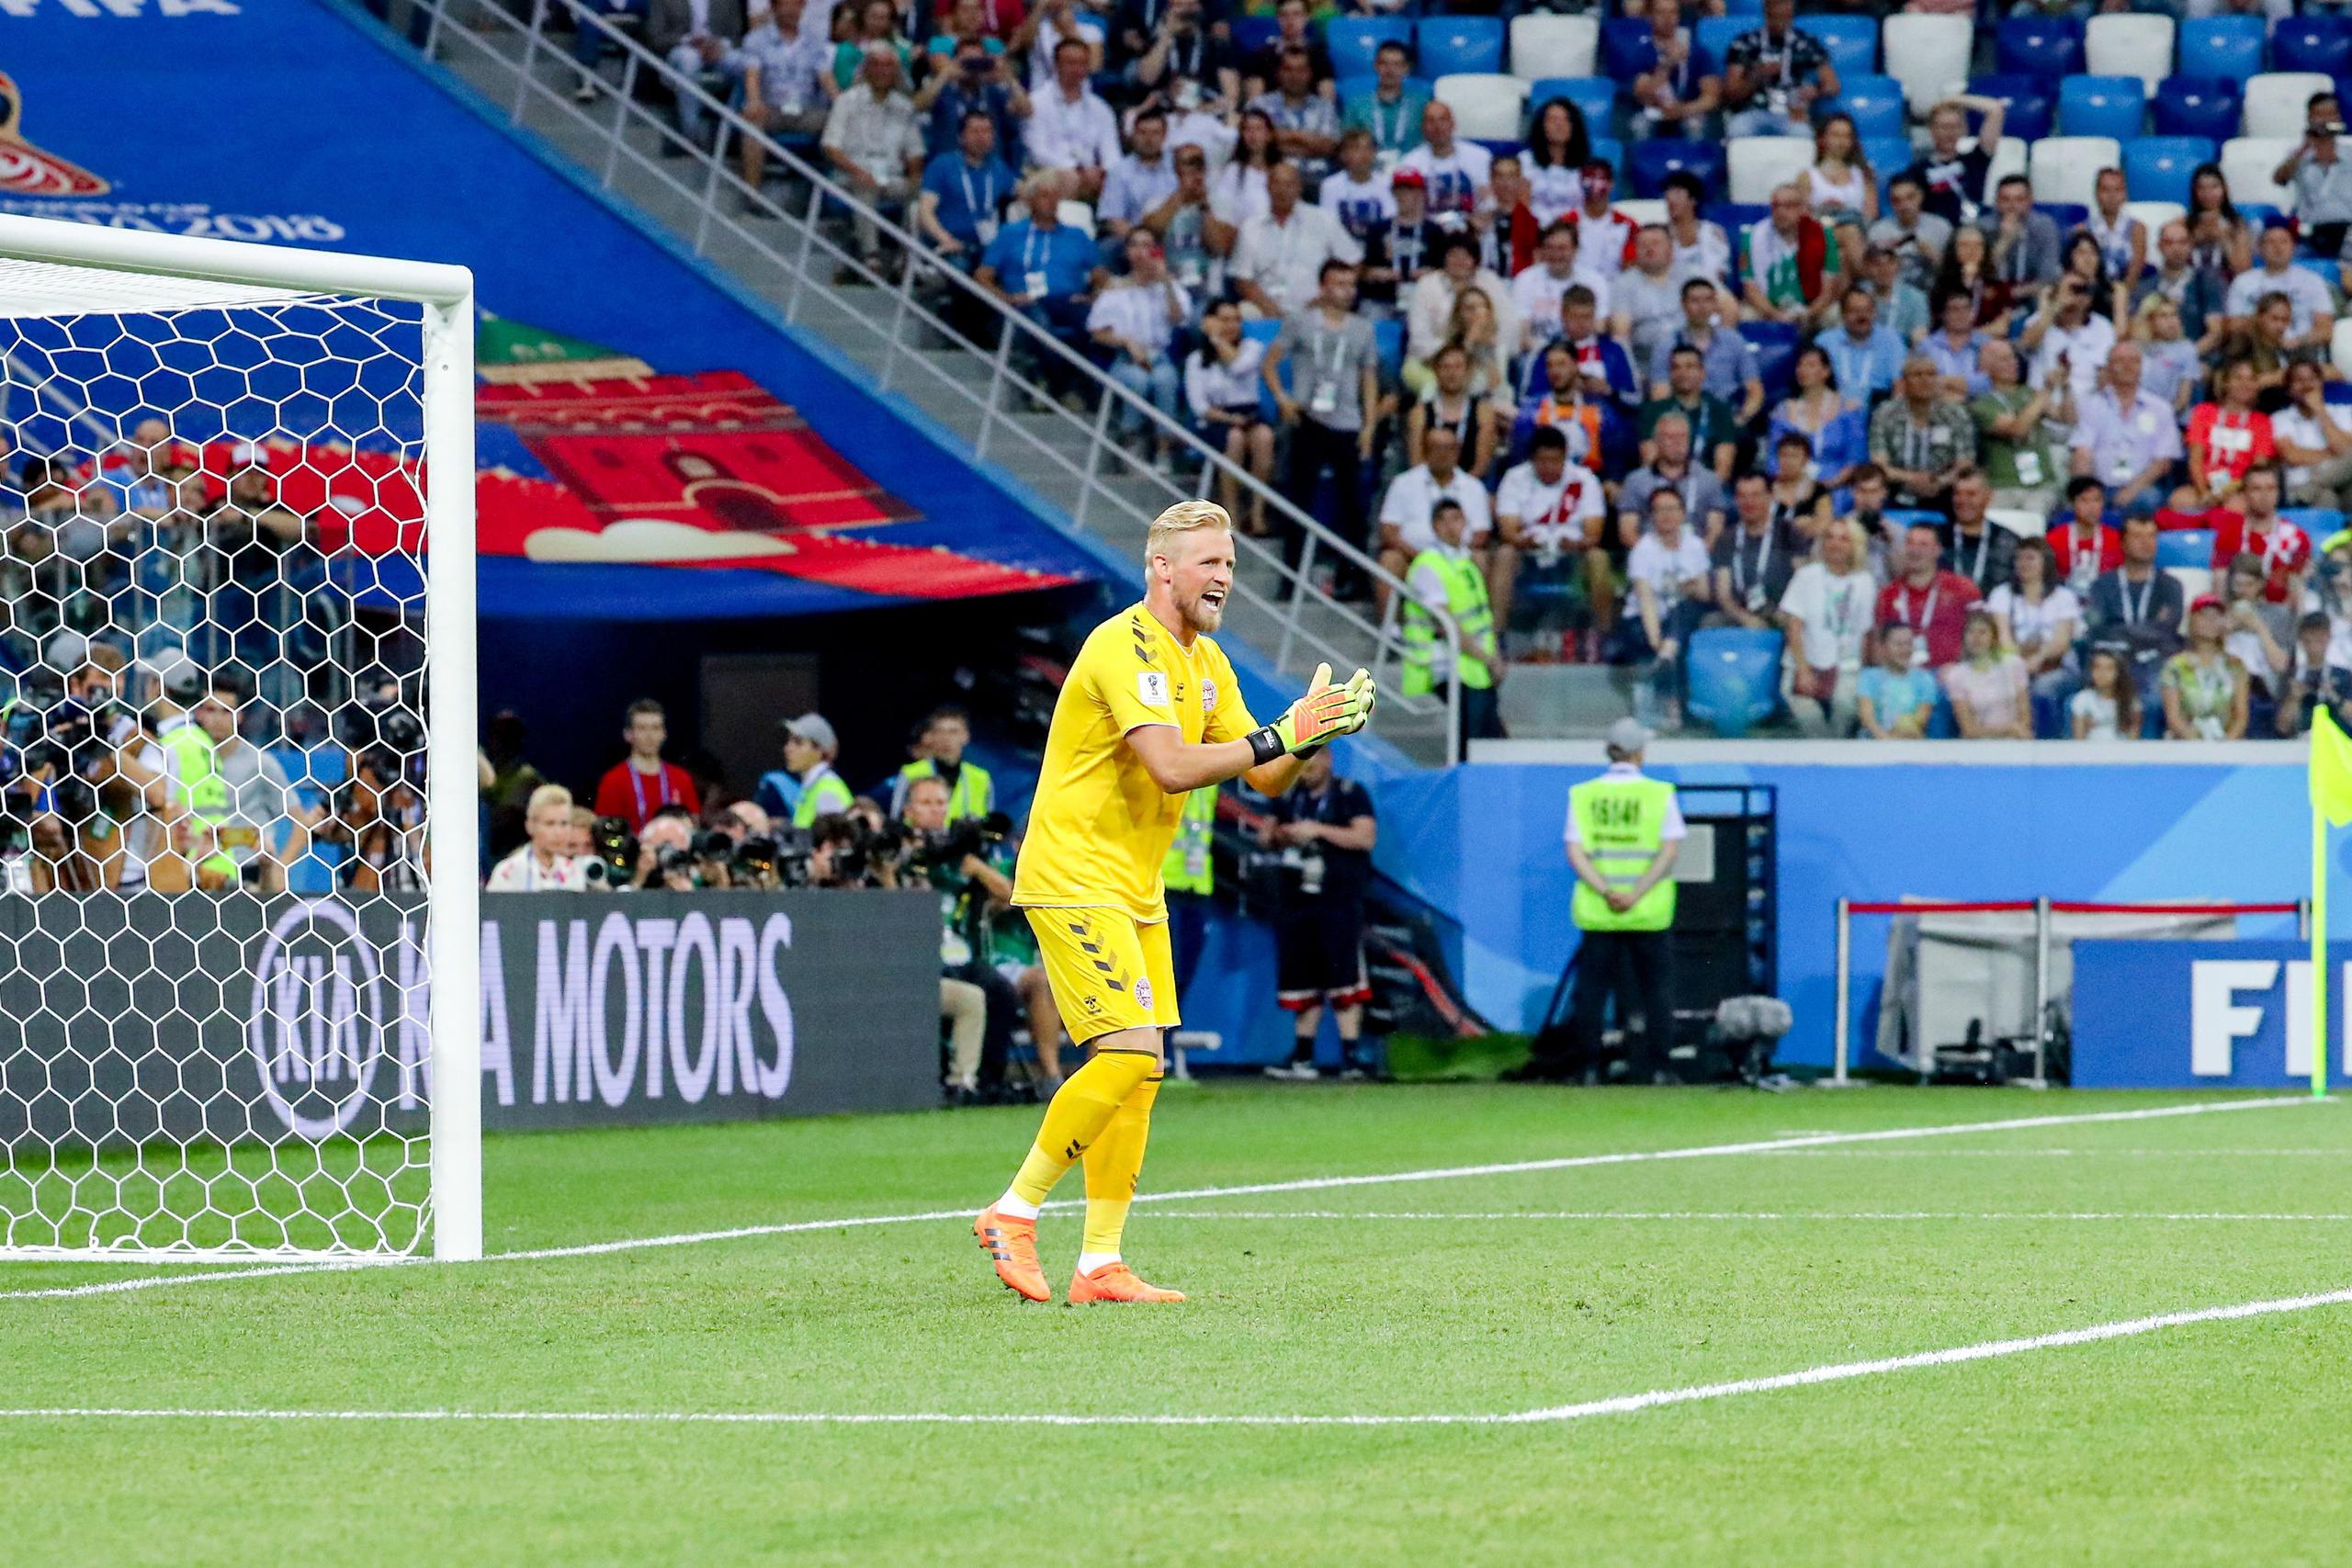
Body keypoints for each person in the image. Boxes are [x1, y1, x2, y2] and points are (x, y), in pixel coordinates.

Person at [971, 500, 1373, 1305]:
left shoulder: (1206, 660)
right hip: (1075, 872)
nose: (1225, 578)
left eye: (1230, 564)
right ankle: (1013, 1211)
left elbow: (1262, 778)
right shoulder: (1122, 644)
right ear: (1162, 568)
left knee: (1142, 1069)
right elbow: (1172, 765)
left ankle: (1100, 1263)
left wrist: (1308, 735)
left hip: (1135, 886)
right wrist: (1277, 733)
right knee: (1124, 1051)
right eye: (1210, 564)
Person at [1533, 716, 1685, 1084]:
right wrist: (1635, 893)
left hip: (1599, 911)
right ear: (1638, 752)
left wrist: (1606, 891)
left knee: (1592, 995)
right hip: (1648, 911)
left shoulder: (1584, 795)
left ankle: (1587, 1069)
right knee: (1656, 993)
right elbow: (1669, 852)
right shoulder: (1659, 794)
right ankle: (1661, 1069)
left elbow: (1576, 852)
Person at [1259, 748, 1379, 1079]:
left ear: (1327, 760)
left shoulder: (1349, 794)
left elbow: (1365, 839)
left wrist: (1318, 831)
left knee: (1344, 977)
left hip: (1338, 901)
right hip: (1297, 902)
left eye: (1314, 763)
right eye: (1303, 764)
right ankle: (1302, 1056)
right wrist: (1283, 835)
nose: (1309, 770)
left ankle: (1351, 1056)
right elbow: (1265, 836)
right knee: (1302, 978)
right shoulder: (1288, 795)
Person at [1265, 259, 1383, 589]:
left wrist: (1369, 425)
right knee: (1299, 497)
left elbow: (1369, 378)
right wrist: (1282, 398)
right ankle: (1290, 575)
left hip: (1347, 422)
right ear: (1323, 286)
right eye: (1338, 283)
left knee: (1353, 503)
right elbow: (1270, 363)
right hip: (1308, 419)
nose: (1346, 290)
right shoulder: (1300, 322)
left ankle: (1353, 574)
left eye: (1350, 284)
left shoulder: (1362, 329)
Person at [976, 172, 1099, 400]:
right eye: (1044, 196)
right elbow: (983, 276)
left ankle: (1065, 384)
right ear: (1030, 201)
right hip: (1025, 301)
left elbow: (1100, 274)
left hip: (1068, 299)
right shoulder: (1011, 233)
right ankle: (1064, 388)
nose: (1051, 202)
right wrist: (1006, 298)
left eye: (1055, 197)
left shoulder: (1076, 235)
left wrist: (1094, 296)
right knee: (1039, 325)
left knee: (1095, 320)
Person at [1401, 498, 1503, 754]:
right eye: (1442, 521)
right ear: (1434, 526)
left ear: (1465, 522)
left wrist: (1494, 656)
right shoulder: (1428, 566)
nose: (1450, 527)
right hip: (1446, 664)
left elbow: (1482, 620)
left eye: (1456, 519)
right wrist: (1489, 660)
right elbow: (1447, 625)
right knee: (1472, 741)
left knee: (1490, 738)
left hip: (1474, 666)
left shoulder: (1466, 564)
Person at [820, 44, 927, 273]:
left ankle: (905, 259)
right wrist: (858, 171)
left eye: (888, 66)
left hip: (891, 176)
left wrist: (915, 178)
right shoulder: (847, 101)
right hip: (851, 176)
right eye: (876, 65)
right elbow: (830, 146)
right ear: (867, 68)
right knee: (865, 186)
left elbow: (915, 152)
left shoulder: (904, 107)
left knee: (921, 196)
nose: (882, 71)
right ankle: (871, 256)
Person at [1496, 425, 1608, 641]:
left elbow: (1593, 534)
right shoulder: (1515, 478)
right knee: (1504, 554)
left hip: (1573, 555)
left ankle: (1602, 637)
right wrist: (1525, 542)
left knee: (1599, 558)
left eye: (1555, 460)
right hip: (1528, 553)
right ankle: (1497, 635)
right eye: (1542, 461)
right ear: (1532, 458)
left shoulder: (1584, 479)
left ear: (1565, 457)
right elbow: (1508, 531)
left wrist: (1575, 545)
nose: (1548, 467)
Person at [1091, 231, 1192, 466]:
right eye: (1135, 246)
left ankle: (1162, 450)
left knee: (1165, 380)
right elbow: (1097, 332)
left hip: (1159, 357)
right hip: (1126, 358)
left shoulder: (1168, 287)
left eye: (1147, 246)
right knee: (1138, 380)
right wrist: (1126, 341)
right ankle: (1129, 439)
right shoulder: (1116, 287)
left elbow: (1179, 319)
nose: (1141, 252)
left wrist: (1165, 282)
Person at [1623, 484, 1713, 725]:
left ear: (1683, 514)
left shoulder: (1694, 545)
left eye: (1672, 509)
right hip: (1646, 618)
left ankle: (1677, 706)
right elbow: (1646, 599)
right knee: (1671, 640)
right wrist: (1657, 641)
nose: (1666, 515)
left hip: (1684, 615)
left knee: (1683, 610)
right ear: (1651, 516)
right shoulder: (1643, 550)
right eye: (1660, 510)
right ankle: (1673, 709)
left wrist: (1687, 589)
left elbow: (1703, 592)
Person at [1779, 517, 1875, 737]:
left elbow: (1864, 632)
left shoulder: (1864, 581)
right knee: (1808, 714)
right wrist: (1803, 670)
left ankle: (1834, 748)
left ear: (1854, 545)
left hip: (1846, 665)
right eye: (1830, 537)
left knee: (1845, 705)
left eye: (1843, 539)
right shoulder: (1806, 576)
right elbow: (1794, 627)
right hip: (1805, 662)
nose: (1835, 543)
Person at [1185, 298, 1273, 534]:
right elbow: (1200, 406)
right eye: (1224, 320)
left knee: (1264, 437)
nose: (1231, 325)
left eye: (1236, 320)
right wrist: (1229, 419)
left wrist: (1218, 341)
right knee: (1233, 438)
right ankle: (1230, 513)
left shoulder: (1252, 347)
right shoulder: (1196, 360)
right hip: (1217, 419)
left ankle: (1257, 514)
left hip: (1249, 413)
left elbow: (1238, 366)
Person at [732, 0, 834, 198]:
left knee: (839, 122)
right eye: (785, 5)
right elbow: (752, 76)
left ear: (803, 7)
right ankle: (752, 191)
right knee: (752, 121)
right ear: (773, 7)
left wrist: (842, 103)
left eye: (796, 5)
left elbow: (826, 79)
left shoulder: (814, 42)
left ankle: (829, 192)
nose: (790, 10)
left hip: (806, 110)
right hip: (772, 108)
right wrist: (754, 102)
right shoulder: (756, 39)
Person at [2068, 343, 2180, 517]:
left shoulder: (2160, 408)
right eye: (2120, 361)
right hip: (2101, 486)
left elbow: (2162, 462)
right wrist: (2089, 492)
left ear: (2141, 367)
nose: (2128, 366)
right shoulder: (2091, 405)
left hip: (2142, 487)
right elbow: (2083, 452)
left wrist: (2132, 490)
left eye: (2134, 361)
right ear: (2108, 368)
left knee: (2148, 498)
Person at [2085, 513, 2187, 701]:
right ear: (2123, 543)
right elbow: (2098, 627)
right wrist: (2143, 631)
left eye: (2151, 536)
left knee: (2154, 698)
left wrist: (2121, 630)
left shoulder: (2171, 586)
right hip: (2112, 661)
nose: (2146, 542)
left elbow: (2166, 629)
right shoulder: (2102, 585)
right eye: (2138, 536)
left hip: (2155, 660)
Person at [1985, 534, 2077, 717]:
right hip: (2012, 663)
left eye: (2030, 558)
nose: (2023, 563)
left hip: (2056, 665)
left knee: (2042, 689)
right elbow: (2002, 638)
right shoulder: (2002, 594)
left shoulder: (2064, 596)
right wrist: (2020, 665)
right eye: (2019, 558)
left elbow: (2061, 643)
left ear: (2046, 562)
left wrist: (2038, 658)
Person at [1869, 355, 1973, 514]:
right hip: (1895, 488)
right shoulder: (1885, 413)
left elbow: (1964, 463)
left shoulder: (1955, 414)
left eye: (1931, 375)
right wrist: (1913, 479)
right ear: (1904, 382)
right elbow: (1879, 464)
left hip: (1944, 490)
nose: (1925, 380)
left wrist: (1938, 482)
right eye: (1917, 375)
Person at [1720, 0, 1838, 139]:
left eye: (1785, 5)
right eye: (1775, 5)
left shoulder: (1806, 42)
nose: (1780, 11)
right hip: (1753, 110)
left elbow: (1832, 86)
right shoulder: (1745, 42)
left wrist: (1814, 91)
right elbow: (1730, 91)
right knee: (1738, 131)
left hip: (1792, 112)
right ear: (1766, 8)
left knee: (1802, 134)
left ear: (1792, 8)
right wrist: (1757, 76)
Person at [1651, 276, 1764, 420]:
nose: (1702, 306)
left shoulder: (1733, 340)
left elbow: (1755, 390)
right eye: (1695, 301)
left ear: (1715, 304)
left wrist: (1741, 419)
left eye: (1708, 300)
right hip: (1683, 416)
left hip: (1727, 413)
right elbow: (1660, 395)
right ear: (1683, 304)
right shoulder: (1666, 345)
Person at [916, 108, 1020, 264]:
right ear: (961, 137)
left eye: (987, 132)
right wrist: (944, 239)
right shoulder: (942, 165)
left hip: (987, 245)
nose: (981, 137)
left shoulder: (997, 167)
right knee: (960, 267)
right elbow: (925, 212)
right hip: (952, 245)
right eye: (975, 132)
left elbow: (1026, 191)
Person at [1024, 36, 1121, 200]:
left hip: (1092, 175)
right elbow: (1037, 150)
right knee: (1069, 179)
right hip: (1050, 171)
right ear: (1056, 66)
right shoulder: (1036, 103)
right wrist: (1077, 170)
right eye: (1070, 63)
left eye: (1081, 63)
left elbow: (1112, 152)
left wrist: (1103, 172)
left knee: (1120, 178)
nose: (1076, 69)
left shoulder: (1101, 108)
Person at [1971, 339, 2058, 516]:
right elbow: (2017, 430)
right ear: (1987, 366)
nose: (2013, 363)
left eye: (2014, 358)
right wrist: (2046, 391)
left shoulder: (2030, 393)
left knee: (2034, 522)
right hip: (2002, 485)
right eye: (2004, 359)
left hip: (2039, 486)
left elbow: (2067, 418)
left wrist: (2065, 385)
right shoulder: (1981, 404)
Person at [2175, 358, 2274, 513]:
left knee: (2235, 508)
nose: (2245, 384)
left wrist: (2229, 492)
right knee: (2179, 500)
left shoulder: (2261, 422)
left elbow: (2258, 468)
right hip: (2204, 486)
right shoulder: (2203, 412)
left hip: (2240, 490)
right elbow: (2195, 460)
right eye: (2238, 378)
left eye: (2251, 380)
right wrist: (2205, 492)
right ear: (2226, 383)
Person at [1876, 521, 1981, 669]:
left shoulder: (1963, 589)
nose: (1915, 550)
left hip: (1952, 677)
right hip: (1903, 679)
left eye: (1923, 545)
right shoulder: (1888, 594)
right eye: (1910, 543)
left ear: (1937, 550)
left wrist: (1963, 671)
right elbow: (1878, 645)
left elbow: (1983, 635)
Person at [2224, 221, 2336, 351]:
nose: (2278, 247)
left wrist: (2297, 342)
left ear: (2293, 247)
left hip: (2302, 350)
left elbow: (2325, 330)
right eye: (2271, 242)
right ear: (2260, 248)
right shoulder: (2243, 282)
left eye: (2284, 242)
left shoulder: (2312, 281)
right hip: (2256, 350)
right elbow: (2233, 325)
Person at [594, 699, 702, 832]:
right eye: (642, 728)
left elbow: (694, 827)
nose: (649, 736)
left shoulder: (681, 779)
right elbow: (606, 832)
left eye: (655, 728)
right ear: (628, 734)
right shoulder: (613, 781)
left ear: (664, 734)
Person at [1741, 184, 1841, 329]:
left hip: (1811, 309)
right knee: (1745, 315)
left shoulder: (1823, 235)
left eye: (1788, 206)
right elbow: (1751, 290)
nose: (1781, 212)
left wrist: (1807, 314)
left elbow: (1828, 291)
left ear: (1802, 209)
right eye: (1776, 206)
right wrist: (1776, 315)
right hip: (1768, 309)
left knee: (1836, 314)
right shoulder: (1753, 237)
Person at [1645, 344, 1743, 488]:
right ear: (1670, 374)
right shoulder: (1653, 411)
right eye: (1676, 367)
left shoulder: (1720, 411)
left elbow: (1723, 467)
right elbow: (1649, 460)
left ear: (1703, 372)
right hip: (1662, 488)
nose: (1683, 372)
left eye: (1690, 367)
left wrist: (1697, 493)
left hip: (1707, 489)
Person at [1712, 471, 1798, 631]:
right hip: (1739, 613)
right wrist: (1745, 618)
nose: (1748, 502)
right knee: (1710, 623)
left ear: (1770, 496)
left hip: (1780, 612)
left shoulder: (1789, 533)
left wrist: (1785, 612)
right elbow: (1723, 593)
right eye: (1742, 496)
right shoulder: (1726, 538)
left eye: (1755, 495)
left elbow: (1802, 580)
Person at [1905, 96, 2007, 227]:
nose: (1949, 133)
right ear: (1931, 129)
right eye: (1943, 127)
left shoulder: (1975, 159)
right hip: (1940, 232)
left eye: (1954, 126)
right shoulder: (1918, 171)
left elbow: (1995, 110)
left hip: (1975, 231)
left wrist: (1954, 100)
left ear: (1963, 130)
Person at [2130, 220, 2229, 354]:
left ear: (2190, 245)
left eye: (2182, 242)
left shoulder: (2207, 283)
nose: (2176, 248)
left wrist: (2184, 358)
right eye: (2169, 243)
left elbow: (2215, 333)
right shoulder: (2144, 287)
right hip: (2155, 358)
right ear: (2160, 246)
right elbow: (2136, 332)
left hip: (2197, 356)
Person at [2276, 90, 2352, 263]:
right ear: (2309, 118)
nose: (2325, 121)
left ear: (2338, 117)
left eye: (2330, 115)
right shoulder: (2298, 156)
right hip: (2310, 232)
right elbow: (2279, 179)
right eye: (2319, 116)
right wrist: (2304, 148)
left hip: (2349, 232)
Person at [2161, 594, 2251, 740]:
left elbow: (2241, 716)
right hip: (2186, 745)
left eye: (2217, 616)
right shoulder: (2175, 666)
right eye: (2204, 616)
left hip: (2227, 744)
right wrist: (2197, 744)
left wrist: (2227, 742)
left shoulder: (2235, 665)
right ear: (2191, 621)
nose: (2211, 621)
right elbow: (2174, 717)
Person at [1394, 101, 1490, 233]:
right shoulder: (1411, 162)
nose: (1437, 126)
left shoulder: (1479, 156)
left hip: (1469, 231)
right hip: (1427, 233)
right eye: (1430, 121)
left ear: (1453, 123)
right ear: (1422, 127)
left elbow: (1489, 200)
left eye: (1443, 120)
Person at [1407, 343, 1498, 482]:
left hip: (1470, 485)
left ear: (1468, 371)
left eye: (1458, 366)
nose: (1452, 373)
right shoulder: (1420, 413)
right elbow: (1416, 461)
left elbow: (1482, 462)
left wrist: (1463, 489)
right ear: (1436, 371)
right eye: (1445, 367)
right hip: (1428, 486)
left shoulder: (1483, 411)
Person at [1249, 45, 1340, 184]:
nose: (1294, 76)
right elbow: (1254, 141)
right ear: (1278, 72)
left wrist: (1279, 137)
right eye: (1288, 69)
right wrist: (1307, 139)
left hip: (1317, 179)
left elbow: (1327, 146)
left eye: (1301, 70)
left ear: (1310, 73)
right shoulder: (1260, 105)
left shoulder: (1325, 107)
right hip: (1269, 178)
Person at [888, 704, 995, 821]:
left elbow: (988, 825)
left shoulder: (981, 779)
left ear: (966, 736)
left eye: (953, 732)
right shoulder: (911, 773)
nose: (946, 738)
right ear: (932, 736)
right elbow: (895, 818)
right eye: (940, 731)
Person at [2271, 356, 2352, 512]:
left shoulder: (2342, 412)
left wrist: (2320, 412)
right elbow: (2292, 456)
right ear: (2289, 390)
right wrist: (2336, 457)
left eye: (2312, 379)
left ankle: (2311, 488)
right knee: (2327, 498)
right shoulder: (2280, 418)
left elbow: (2345, 450)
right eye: (2299, 380)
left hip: (2341, 483)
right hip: (2300, 484)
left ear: (2321, 383)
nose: (2306, 385)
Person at [486, 782, 594, 891]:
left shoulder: (573, 872)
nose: (558, 832)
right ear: (530, 826)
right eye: (550, 824)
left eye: (564, 823)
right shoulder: (509, 872)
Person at [1943, 608, 2031, 739]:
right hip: (1979, 745)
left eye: (1982, 632)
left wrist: (2015, 732)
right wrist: (2007, 729)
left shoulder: (2014, 665)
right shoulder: (1957, 675)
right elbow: (1968, 729)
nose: (1976, 637)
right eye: (1971, 632)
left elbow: (2024, 716)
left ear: (1994, 637)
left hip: (2014, 740)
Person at [1098, 106, 1179, 247]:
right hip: (1136, 245)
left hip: (1176, 239)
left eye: (1155, 133)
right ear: (1133, 134)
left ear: (1165, 135)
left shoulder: (1178, 166)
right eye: (1142, 133)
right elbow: (1115, 220)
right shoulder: (1119, 172)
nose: (1149, 139)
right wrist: (1142, 243)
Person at [1340, 39, 1430, 164]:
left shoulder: (1422, 104)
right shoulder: (1356, 105)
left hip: (1412, 170)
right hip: (1368, 172)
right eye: (1384, 63)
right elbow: (1348, 146)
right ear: (1375, 65)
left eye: (1397, 65)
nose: (1390, 70)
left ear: (1406, 69)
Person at [1870, 172, 1952, 299]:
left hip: (1934, 294)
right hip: (1893, 296)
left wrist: (1932, 256)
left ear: (1921, 196)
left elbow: (1952, 271)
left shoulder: (1941, 228)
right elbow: (1871, 273)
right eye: (1897, 200)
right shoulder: (1879, 232)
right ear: (1891, 202)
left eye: (1910, 197)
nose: (1904, 205)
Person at [1820, 286, 1905, 406]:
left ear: (1875, 312)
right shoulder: (1826, 341)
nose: (1862, 316)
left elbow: (1900, 385)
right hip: (1833, 408)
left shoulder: (1891, 340)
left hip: (1878, 406)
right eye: (1854, 311)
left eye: (1867, 310)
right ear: (1843, 314)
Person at [1942, 467, 2017, 596]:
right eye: (1957, 493)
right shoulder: (1937, 538)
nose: (1963, 500)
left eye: (1971, 494)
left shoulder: (2009, 541)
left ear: (1988, 497)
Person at [1856, 622, 1938, 738]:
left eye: (1908, 644)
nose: (1904, 649)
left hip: (1910, 740)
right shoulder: (1869, 677)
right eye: (1898, 644)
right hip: (1873, 743)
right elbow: (1867, 718)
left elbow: (1921, 720)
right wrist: (1886, 739)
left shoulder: (1925, 680)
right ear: (1884, 647)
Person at [1524, 97, 1597, 226]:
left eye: (1565, 120)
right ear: (1541, 125)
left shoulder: (1589, 168)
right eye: (1553, 119)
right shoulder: (1525, 161)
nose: (1559, 124)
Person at [1982, 175, 2061, 293]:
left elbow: (2048, 276)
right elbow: (1980, 276)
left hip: (2032, 296)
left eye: (2019, 200)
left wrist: (2011, 295)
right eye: (2005, 199)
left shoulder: (2044, 226)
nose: (2012, 206)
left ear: (2029, 201)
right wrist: (2004, 241)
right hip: (1993, 298)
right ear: (1997, 201)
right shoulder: (1983, 227)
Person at [2278, 612, 2352, 737]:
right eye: (2308, 641)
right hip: (2300, 740)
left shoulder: (2343, 675)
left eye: (2318, 640)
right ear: (2301, 641)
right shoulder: (2292, 675)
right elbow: (2282, 726)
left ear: (2328, 638)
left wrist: (2333, 696)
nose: (2313, 647)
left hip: (2336, 740)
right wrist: (2294, 698)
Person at [1933, 224, 2013, 335]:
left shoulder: (2000, 288)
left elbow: (2001, 328)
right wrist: (1966, 282)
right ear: (1954, 250)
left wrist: (1969, 338)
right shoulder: (1941, 285)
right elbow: (1939, 326)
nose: (1971, 250)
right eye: (1965, 245)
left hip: (1986, 347)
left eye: (1978, 245)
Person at [2049, 475, 2122, 596]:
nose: (2092, 507)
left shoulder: (2116, 539)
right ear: (2073, 504)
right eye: (2084, 501)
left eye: (2097, 500)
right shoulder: (2054, 539)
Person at [778, 712, 856, 825]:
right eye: (789, 741)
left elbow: (834, 841)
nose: (788, 749)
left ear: (819, 750)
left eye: (798, 742)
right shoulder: (812, 788)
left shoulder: (827, 793)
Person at [2080, 166, 2146, 295]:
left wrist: (2121, 295)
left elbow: (2136, 267)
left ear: (2125, 194)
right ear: (2096, 193)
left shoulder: (2137, 229)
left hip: (2127, 292)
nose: (2112, 195)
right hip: (2093, 293)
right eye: (2106, 190)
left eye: (2117, 190)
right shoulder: (2083, 230)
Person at [2132, 294, 2202, 417]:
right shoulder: (2135, 348)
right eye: (2163, 316)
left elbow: (2182, 399)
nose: (2171, 321)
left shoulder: (2186, 349)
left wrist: (2161, 417)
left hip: (2170, 417)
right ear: (2150, 320)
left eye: (2174, 315)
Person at [2187, 162, 2254, 282]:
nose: (2208, 194)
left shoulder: (2237, 224)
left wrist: (2223, 239)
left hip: (2226, 285)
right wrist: (2196, 238)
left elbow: (2244, 270)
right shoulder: (2185, 223)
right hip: (2192, 285)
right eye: (2201, 188)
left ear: (2224, 189)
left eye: (2214, 187)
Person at [2072, 645, 2141, 740]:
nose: (2102, 673)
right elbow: (2079, 738)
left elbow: (2133, 737)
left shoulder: (2131, 701)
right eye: (2097, 667)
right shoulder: (2083, 699)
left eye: (2109, 668)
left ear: (2119, 673)